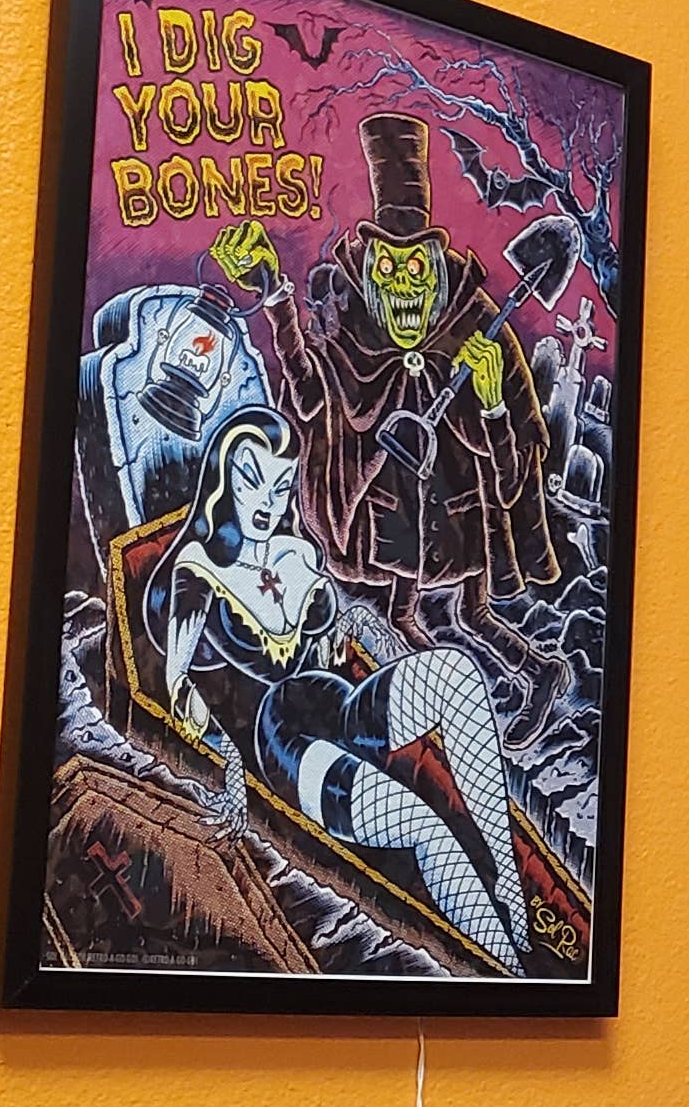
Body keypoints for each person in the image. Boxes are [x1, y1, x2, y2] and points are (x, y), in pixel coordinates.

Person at [146, 409, 532, 969]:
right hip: (285, 740)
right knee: (425, 828)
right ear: (223, 479)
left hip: (338, 703)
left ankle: (508, 884)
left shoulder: (296, 552)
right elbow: (179, 684)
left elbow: (334, 624)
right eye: (252, 480)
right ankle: (507, 969)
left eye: (281, 486)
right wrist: (230, 768)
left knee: (457, 671)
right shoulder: (196, 571)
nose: (267, 502)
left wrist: (354, 622)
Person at [211, 110, 558, 684]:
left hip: (459, 515)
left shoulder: (473, 326)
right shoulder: (354, 329)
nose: (403, 285)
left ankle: (538, 674)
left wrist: (492, 401)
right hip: (393, 517)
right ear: (371, 273)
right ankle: (450, 698)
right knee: (404, 616)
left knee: (474, 613)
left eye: (416, 266)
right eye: (389, 268)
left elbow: (511, 473)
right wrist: (275, 297)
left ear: (437, 271)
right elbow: (309, 392)